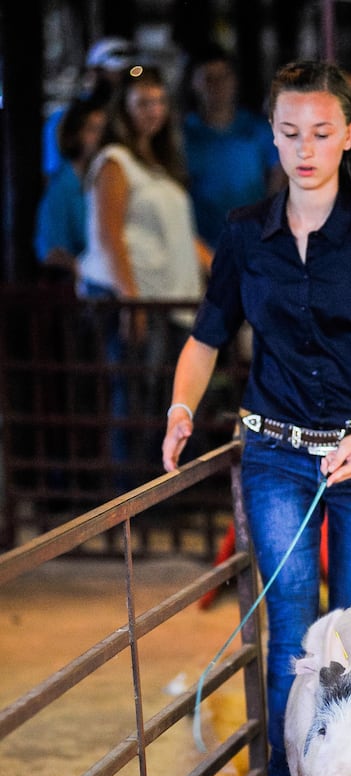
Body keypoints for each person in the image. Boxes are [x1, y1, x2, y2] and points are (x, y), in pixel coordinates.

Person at [162, 59, 351, 776]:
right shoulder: (246, 232)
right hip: (275, 450)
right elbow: (209, 334)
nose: (305, 148)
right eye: (288, 132)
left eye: (322, 132)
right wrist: (179, 408)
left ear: (349, 136)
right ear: (270, 136)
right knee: (291, 639)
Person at [79, 65, 212, 473]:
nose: (152, 110)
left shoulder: (159, 163)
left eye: (158, 101)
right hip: (137, 297)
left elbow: (181, 236)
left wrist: (226, 269)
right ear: (125, 108)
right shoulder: (115, 161)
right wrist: (131, 302)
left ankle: (163, 492)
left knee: (163, 398)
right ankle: (131, 495)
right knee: (137, 395)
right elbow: (108, 235)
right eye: (142, 102)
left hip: (169, 299)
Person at [182, 44, 285, 249]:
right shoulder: (183, 135)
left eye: (224, 77)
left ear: (235, 80)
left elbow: (279, 177)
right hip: (201, 248)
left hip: (253, 244)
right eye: (208, 79)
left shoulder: (259, 130)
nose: (218, 86)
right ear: (194, 83)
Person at [34, 93, 107, 278]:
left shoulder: (101, 179)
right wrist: (86, 271)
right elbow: (50, 251)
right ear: (74, 135)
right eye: (93, 129)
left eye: (103, 131)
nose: (100, 138)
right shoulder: (62, 186)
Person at [43, 36, 138, 178]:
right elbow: (55, 170)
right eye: (112, 73)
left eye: (125, 74)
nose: (119, 81)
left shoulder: (129, 117)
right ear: (94, 72)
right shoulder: (63, 118)